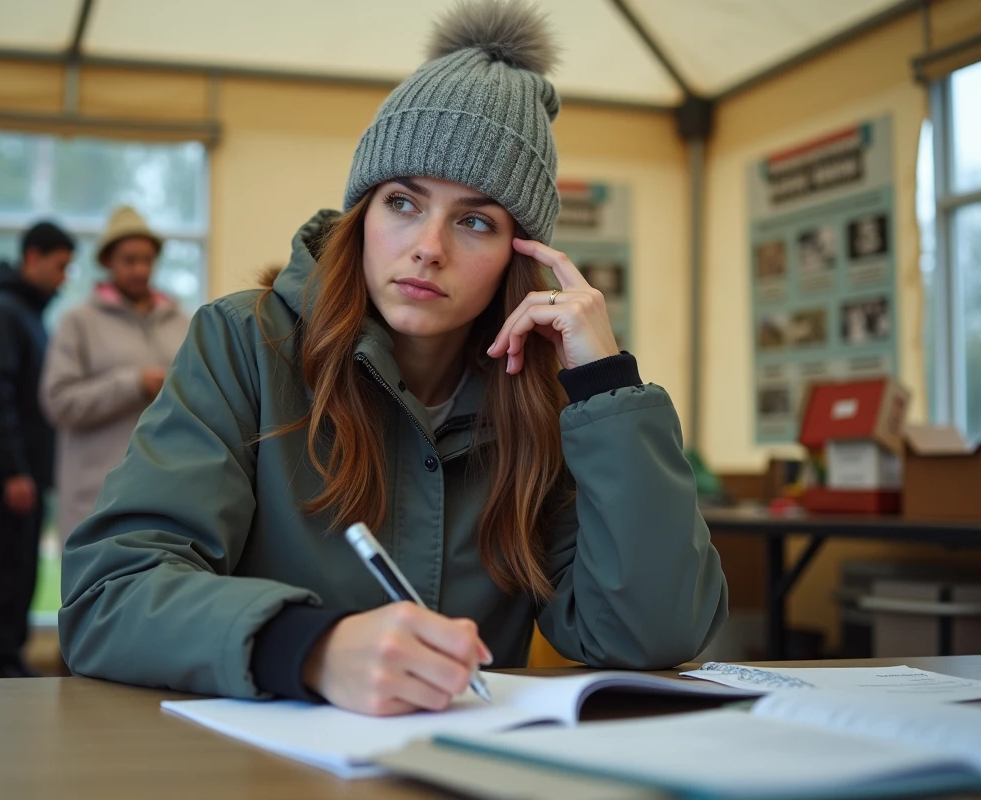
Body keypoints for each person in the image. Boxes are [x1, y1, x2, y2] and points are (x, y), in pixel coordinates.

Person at [60, 0, 727, 716]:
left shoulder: (549, 400)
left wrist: (605, 387)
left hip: (463, 769)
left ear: (520, 255)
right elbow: (110, 593)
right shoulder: (243, 344)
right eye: (403, 202)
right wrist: (308, 648)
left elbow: (653, 635)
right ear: (362, 214)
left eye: (475, 220)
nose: (428, 246)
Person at [0, 221, 73, 679]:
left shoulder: (23, 314)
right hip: (4, 477)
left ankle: (5, 661)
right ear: (32, 259)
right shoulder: (2, 314)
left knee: (16, 572)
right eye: (60, 266)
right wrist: (13, 470)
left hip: (18, 474)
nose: (65, 277)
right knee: (1, 575)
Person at [40, 206, 190, 542]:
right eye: (129, 260)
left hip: (166, 495)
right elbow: (58, 402)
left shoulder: (183, 321)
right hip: (96, 500)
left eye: (147, 260)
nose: (140, 269)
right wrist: (133, 384)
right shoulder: (78, 322)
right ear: (107, 261)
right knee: (93, 593)